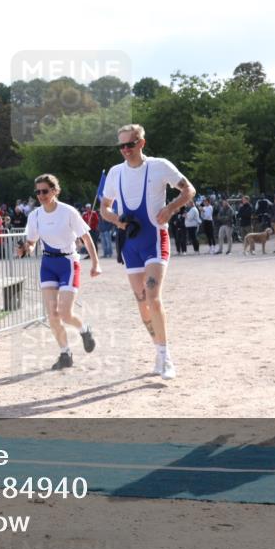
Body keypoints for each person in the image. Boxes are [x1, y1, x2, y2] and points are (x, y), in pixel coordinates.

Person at [99, 124, 195, 379]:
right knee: (142, 303)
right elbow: (104, 208)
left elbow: (189, 190)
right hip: (131, 244)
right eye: (121, 146)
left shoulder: (158, 165)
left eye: (130, 144)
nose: (125, 150)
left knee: (153, 297)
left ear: (142, 143)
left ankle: (165, 358)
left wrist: (171, 208)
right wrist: (116, 220)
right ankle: (158, 350)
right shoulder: (115, 173)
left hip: (155, 238)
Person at [18, 174, 100, 369]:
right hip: (48, 264)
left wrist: (96, 264)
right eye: (38, 192)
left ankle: (84, 329)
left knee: (64, 313)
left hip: (68, 262)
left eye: (45, 191)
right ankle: (65, 354)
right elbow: (31, 243)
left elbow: (86, 238)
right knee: (52, 315)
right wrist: (25, 250)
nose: (41, 195)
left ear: (55, 191)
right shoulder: (35, 215)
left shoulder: (68, 212)